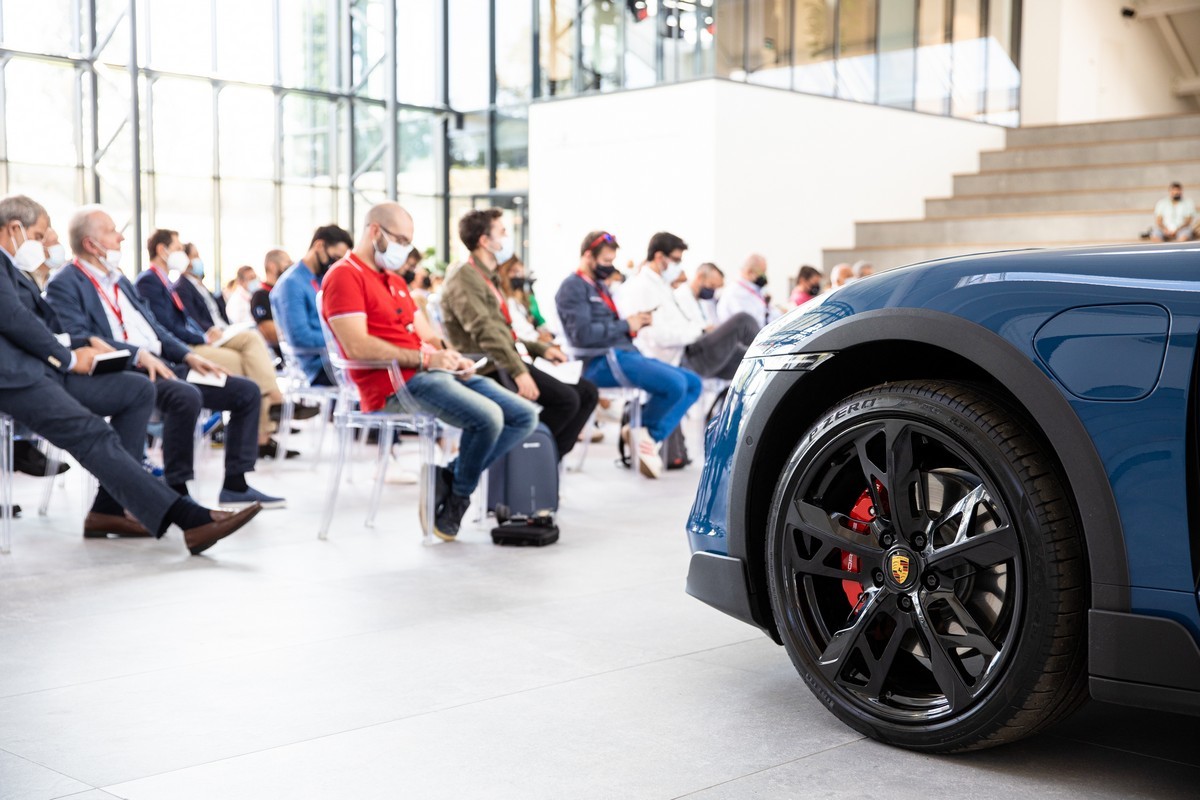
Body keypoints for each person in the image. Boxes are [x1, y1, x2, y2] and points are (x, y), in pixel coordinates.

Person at [0, 195, 260, 552]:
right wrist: (71, 358)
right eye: (40, 234)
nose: (46, 244)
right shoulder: (32, 273)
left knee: (136, 390)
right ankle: (188, 518)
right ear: (15, 229)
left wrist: (82, 341)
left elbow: (41, 325)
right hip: (18, 376)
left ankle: (107, 508)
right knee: (93, 432)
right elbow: (16, 321)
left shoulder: (19, 270)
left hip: (44, 368)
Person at [321, 202, 538, 540]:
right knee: (490, 419)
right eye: (401, 240)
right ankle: (457, 499)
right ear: (375, 231)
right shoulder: (344, 276)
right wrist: (425, 360)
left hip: (426, 374)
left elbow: (425, 332)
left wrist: (452, 356)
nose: (405, 250)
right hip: (391, 384)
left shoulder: (392, 279)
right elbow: (357, 347)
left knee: (524, 415)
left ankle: (449, 478)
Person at [46, 205, 285, 510]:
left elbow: (155, 328)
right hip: (127, 371)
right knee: (184, 396)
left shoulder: (118, 280)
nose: (120, 237)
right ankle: (178, 489)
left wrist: (188, 356)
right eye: (111, 232)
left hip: (165, 365)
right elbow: (79, 337)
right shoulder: (65, 283)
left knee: (245, 391)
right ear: (91, 244)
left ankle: (236, 485)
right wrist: (140, 354)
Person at [442, 208, 598, 461]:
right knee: (567, 400)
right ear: (484, 241)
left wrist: (540, 349)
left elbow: (502, 333)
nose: (507, 239)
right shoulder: (464, 277)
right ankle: (524, 462)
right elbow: (486, 333)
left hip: (503, 358)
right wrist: (519, 371)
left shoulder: (486, 277)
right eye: (502, 232)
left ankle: (543, 466)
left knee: (587, 392)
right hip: (487, 366)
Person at [137, 228, 297, 459]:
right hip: (183, 350)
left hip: (197, 339)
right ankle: (264, 427)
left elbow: (182, 320)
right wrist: (201, 337)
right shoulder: (149, 282)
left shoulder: (164, 282)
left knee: (251, 340)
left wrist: (206, 332)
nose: (183, 254)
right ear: (162, 250)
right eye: (179, 248)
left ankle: (270, 411)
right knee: (245, 364)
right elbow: (164, 327)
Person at [555, 230, 702, 478]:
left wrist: (635, 324)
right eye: (605, 261)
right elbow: (582, 335)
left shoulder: (599, 287)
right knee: (676, 384)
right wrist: (627, 325)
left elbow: (609, 328)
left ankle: (644, 434)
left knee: (692, 383)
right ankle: (643, 432)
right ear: (588, 256)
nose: (609, 267)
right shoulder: (572, 288)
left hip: (623, 354)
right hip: (601, 361)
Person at [617, 232, 758, 382]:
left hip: (689, 348)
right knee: (743, 321)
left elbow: (679, 324)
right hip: (683, 357)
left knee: (752, 363)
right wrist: (700, 331)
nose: (678, 266)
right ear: (659, 257)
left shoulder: (663, 287)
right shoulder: (642, 287)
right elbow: (657, 336)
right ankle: (776, 352)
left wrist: (702, 330)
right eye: (676, 260)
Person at [272, 225, 354, 386]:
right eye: (335, 257)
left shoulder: (322, 279)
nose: (336, 264)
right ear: (319, 246)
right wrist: (342, 339)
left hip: (332, 359)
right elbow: (300, 337)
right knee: (371, 373)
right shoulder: (291, 284)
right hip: (316, 366)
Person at [175, 243, 229, 332]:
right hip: (213, 332)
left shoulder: (200, 285)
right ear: (185, 260)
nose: (199, 259)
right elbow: (194, 319)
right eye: (195, 256)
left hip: (223, 327)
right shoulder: (182, 288)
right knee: (251, 338)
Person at [717, 253, 779, 330]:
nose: (764, 276)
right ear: (750, 271)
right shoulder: (736, 292)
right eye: (762, 272)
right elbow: (752, 321)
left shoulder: (754, 289)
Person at [251, 249, 291, 350]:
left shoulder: (286, 292)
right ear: (272, 266)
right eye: (287, 262)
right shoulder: (260, 296)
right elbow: (271, 334)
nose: (290, 267)